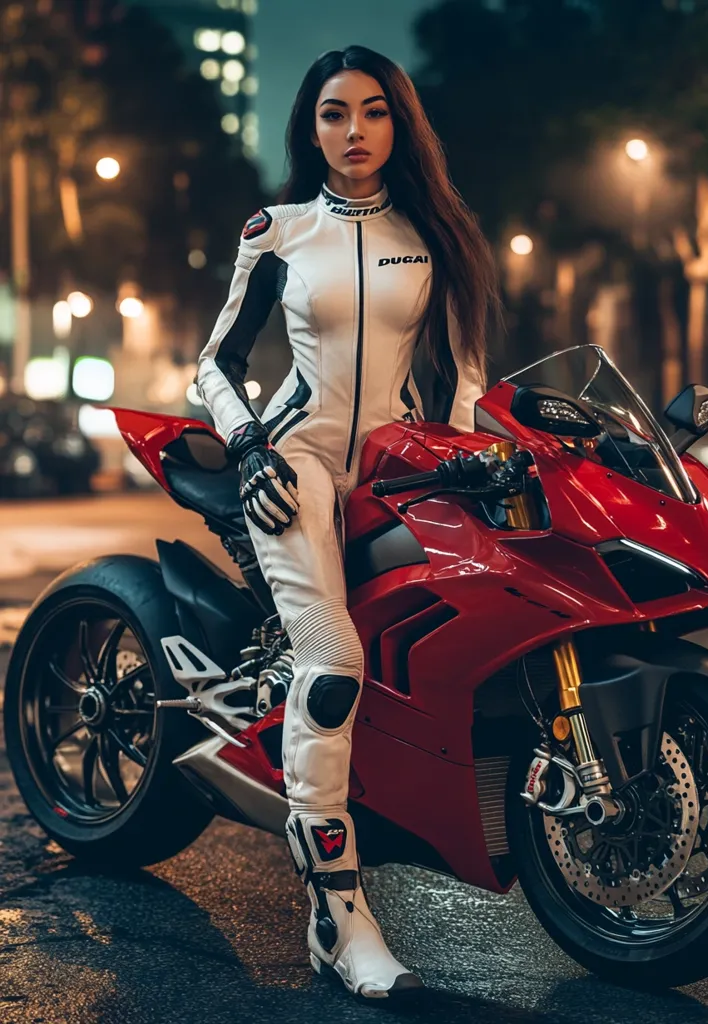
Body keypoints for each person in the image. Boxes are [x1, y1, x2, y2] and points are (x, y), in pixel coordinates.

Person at [196, 45, 500, 999]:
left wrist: (464, 463)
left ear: (398, 124)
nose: (355, 131)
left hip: (399, 466)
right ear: (311, 126)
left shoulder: (436, 233)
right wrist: (247, 445)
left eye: (374, 112)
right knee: (335, 664)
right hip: (293, 462)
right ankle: (338, 913)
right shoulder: (277, 231)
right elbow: (214, 365)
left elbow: (465, 376)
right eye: (335, 113)